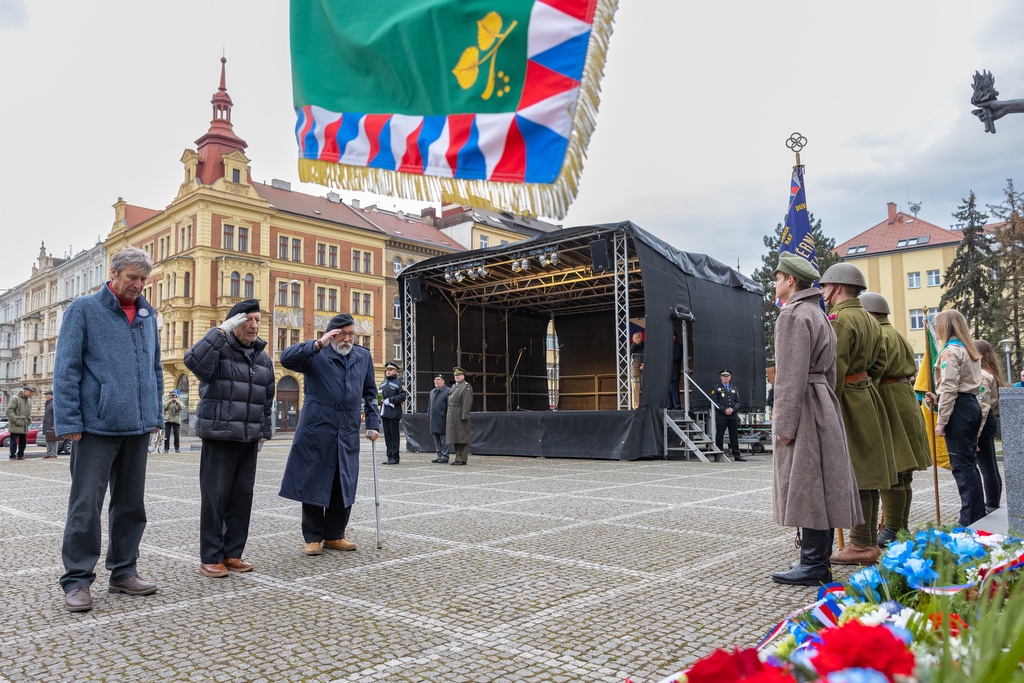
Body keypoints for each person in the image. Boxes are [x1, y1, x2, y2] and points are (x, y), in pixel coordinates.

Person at [54, 246, 163, 613]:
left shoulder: (148, 315)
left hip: (137, 426)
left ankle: (123, 571)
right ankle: (78, 580)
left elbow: (155, 370)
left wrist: (155, 415)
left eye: (144, 279)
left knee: (131, 504)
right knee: (86, 505)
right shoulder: (83, 310)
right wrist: (68, 421)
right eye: (132, 277)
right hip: (95, 427)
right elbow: (66, 369)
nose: (138, 285)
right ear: (113, 273)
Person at [769, 253, 862, 586]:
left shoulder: (792, 316)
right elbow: (833, 370)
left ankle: (812, 565)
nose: (775, 283)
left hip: (805, 405)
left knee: (807, 484)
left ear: (791, 281)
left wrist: (782, 424)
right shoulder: (819, 314)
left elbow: (789, 376)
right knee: (821, 483)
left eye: (778, 278)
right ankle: (817, 561)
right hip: (821, 400)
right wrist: (827, 401)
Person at [184, 298, 275, 578]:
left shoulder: (262, 357)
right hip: (220, 435)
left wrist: (263, 433)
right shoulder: (218, 350)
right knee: (215, 497)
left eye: (258, 320)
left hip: (248, 438)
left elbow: (267, 399)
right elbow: (193, 361)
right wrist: (219, 331)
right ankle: (211, 556)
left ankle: (233, 553)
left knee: (241, 497)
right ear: (235, 323)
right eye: (248, 319)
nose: (254, 325)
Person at [279, 313, 380, 556]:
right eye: (341, 334)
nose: (347, 338)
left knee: (342, 481)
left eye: (351, 334)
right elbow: (285, 359)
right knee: (314, 478)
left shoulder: (362, 356)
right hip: (317, 425)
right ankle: (313, 537)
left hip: (347, 426)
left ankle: (335, 535)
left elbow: (370, 392)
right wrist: (318, 343)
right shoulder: (316, 353)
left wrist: (373, 423)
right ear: (331, 334)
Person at [818, 263, 896, 566]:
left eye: (825, 287)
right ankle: (865, 541)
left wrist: (829, 408)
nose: (823, 292)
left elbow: (833, 370)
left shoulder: (839, 320)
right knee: (869, 474)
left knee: (859, 475)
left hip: (847, 401)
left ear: (836, 287)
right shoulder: (870, 319)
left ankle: (861, 544)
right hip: (867, 396)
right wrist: (863, 385)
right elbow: (879, 364)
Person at [859, 293, 931, 547]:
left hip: (889, 399)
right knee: (903, 473)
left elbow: (874, 372)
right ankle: (899, 527)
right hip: (904, 399)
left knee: (893, 470)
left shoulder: (878, 334)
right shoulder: (896, 333)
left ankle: (891, 529)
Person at [924, 310, 983, 526]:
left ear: (946, 327)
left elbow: (950, 388)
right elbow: (959, 387)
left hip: (958, 409)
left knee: (961, 465)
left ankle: (969, 519)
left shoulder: (949, 353)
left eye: (937, 326)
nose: (936, 331)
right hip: (971, 406)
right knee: (969, 463)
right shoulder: (968, 350)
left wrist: (941, 421)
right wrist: (938, 399)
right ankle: (978, 512)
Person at [975, 339, 1005, 514]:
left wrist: (975, 435)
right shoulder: (990, 372)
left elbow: (982, 407)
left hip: (983, 424)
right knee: (990, 466)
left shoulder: (982, 376)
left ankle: (991, 504)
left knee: (986, 467)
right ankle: (993, 503)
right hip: (988, 422)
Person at [710, 371, 745, 461]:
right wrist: (724, 410)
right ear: (721, 377)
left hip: (732, 415)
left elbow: (738, 402)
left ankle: (736, 455)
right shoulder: (716, 388)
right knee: (719, 435)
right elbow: (714, 402)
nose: (726, 378)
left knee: (734, 435)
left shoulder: (734, 388)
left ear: (730, 377)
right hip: (721, 415)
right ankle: (718, 454)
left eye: (727, 376)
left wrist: (733, 409)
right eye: (724, 376)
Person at [378, 361, 408, 465]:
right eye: (387, 370)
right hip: (384, 412)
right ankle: (389, 456)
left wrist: (390, 400)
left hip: (394, 412)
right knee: (387, 436)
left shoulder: (399, 383)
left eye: (390, 370)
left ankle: (395, 457)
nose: (388, 372)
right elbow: (379, 396)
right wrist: (379, 400)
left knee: (394, 435)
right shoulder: (383, 383)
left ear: (395, 371)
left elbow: (402, 396)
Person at [446, 367, 473, 466]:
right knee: (455, 437)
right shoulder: (454, 386)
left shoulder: (466, 386)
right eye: (455, 375)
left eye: (459, 375)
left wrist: (464, 415)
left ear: (463, 376)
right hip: (453, 415)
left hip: (460, 414)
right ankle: (457, 457)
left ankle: (462, 458)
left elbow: (467, 402)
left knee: (462, 437)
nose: (457, 377)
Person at [428, 374, 452, 463]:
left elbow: (449, 406)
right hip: (433, 420)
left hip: (443, 419)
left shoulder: (448, 391)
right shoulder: (432, 392)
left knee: (444, 439)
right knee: (436, 438)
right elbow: (429, 405)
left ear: (443, 381)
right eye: (435, 379)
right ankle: (439, 455)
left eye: (438, 379)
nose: (436, 381)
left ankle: (445, 456)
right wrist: (429, 415)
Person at [6, 386, 34, 460]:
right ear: (24, 391)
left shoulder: (29, 400)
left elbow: (29, 413)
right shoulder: (15, 399)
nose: (31, 394)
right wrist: (16, 420)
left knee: (23, 441)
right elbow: (9, 411)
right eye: (30, 392)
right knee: (13, 441)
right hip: (15, 424)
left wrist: (29, 420)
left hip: (24, 424)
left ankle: (21, 455)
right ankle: (12, 455)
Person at [667, 332, 683, 409]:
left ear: (674, 337)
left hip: (674, 372)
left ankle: (677, 405)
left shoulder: (678, 346)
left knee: (674, 389)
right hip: (668, 372)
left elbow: (677, 357)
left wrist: (667, 357)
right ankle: (670, 405)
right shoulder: (668, 346)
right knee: (668, 390)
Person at [42, 390, 58, 458]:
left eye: (46, 395)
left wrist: (54, 425)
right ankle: (48, 452)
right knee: (48, 439)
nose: (45, 396)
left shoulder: (54, 403)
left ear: (51, 395)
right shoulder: (47, 403)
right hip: (47, 424)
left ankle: (53, 453)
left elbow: (55, 415)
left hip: (51, 425)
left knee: (53, 439)